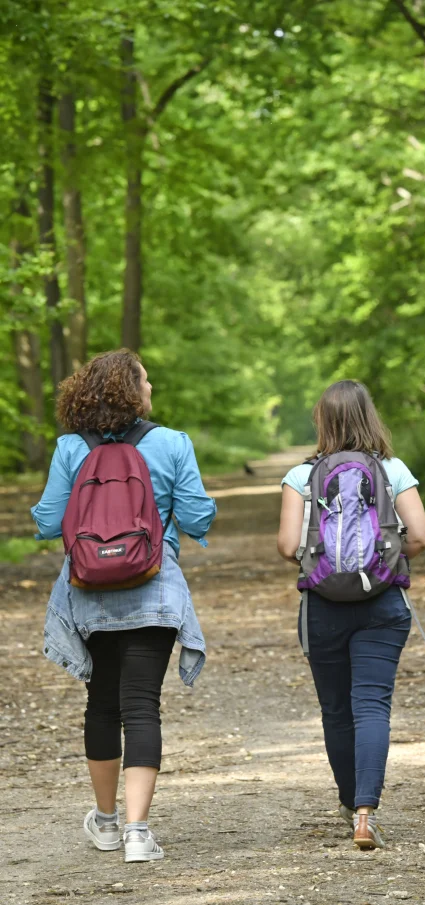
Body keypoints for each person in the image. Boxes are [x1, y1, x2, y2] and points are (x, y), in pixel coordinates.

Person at [31, 349, 216, 863]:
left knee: (102, 704)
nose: (152, 388)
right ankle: (139, 833)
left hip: (89, 592)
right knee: (142, 706)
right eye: (147, 380)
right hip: (154, 590)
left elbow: (48, 524)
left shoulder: (71, 448)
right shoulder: (173, 443)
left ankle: (107, 823)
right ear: (132, 391)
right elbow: (199, 519)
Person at [277, 380, 425, 850]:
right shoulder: (392, 469)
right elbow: (421, 536)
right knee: (372, 705)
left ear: (321, 420)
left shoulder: (300, 477)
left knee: (336, 710)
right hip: (383, 604)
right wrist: (380, 561)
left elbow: (287, 546)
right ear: (370, 417)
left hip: (322, 606)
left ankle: (349, 802)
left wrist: (327, 562)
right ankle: (366, 812)